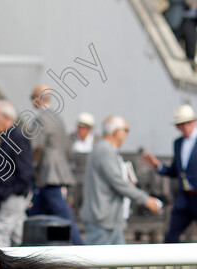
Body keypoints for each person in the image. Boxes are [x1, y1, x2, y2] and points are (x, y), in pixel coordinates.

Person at [82, 116, 163, 245]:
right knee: (96, 262)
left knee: (119, 262)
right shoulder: (105, 150)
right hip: (103, 219)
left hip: (109, 219)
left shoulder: (105, 149)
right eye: (126, 130)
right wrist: (145, 199)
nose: (126, 134)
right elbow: (119, 183)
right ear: (117, 131)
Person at [27, 85, 84, 245]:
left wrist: (33, 164)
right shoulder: (57, 117)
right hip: (59, 169)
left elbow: (36, 146)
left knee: (62, 212)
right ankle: (26, 247)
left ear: (38, 98)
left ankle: (81, 246)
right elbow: (66, 146)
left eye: (32, 98)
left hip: (48, 171)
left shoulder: (40, 119)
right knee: (37, 212)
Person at [0, 101, 35, 247]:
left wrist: (13, 191)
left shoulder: (17, 137)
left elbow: (25, 170)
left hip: (15, 195)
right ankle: (23, 267)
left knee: (1, 229)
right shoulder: (9, 137)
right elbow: (4, 171)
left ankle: (3, 268)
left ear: (6, 117)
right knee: (18, 234)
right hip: (13, 193)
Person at [142, 104, 197, 242]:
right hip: (184, 197)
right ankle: (168, 263)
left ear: (194, 122)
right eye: (181, 124)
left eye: (188, 123)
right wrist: (158, 166)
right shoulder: (178, 143)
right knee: (171, 235)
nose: (185, 127)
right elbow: (176, 170)